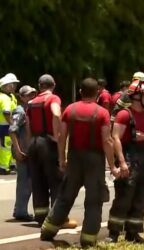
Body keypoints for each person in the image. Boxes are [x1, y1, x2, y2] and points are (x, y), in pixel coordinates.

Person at [40, 78, 115, 248]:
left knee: (65, 196)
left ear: (80, 91)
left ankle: (48, 231)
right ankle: (88, 240)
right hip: (95, 160)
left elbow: (61, 136)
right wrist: (112, 165)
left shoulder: (70, 109)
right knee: (94, 200)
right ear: (97, 93)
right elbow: (107, 141)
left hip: (74, 158)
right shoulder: (102, 113)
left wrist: (61, 158)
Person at [106, 80, 144, 244]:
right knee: (123, 198)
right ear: (136, 96)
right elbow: (115, 138)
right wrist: (121, 162)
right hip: (129, 157)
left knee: (141, 198)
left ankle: (133, 233)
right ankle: (113, 233)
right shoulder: (124, 114)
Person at [26, 74, 77, 228]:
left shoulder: (31, 102)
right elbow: (56, 113)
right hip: (47, 143)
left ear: (39, 86)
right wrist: (57, 136)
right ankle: (58, 218)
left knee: (38, 180)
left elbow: (28, 124)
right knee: (56, 181)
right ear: (53, 85)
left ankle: (41, 216)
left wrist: (30, 142)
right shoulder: (53, 99)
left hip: (34, 143)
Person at [10, 85, 37, 221]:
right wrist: (18, 150)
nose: (31, 97)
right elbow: (12, 130)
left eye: (33, 94)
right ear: (21, 97)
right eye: (28, 95)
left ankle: (20, 209)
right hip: (22, 152)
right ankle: (20, 211)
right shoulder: (19, 111)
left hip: (28, 151)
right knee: (24, 183)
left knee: (29, 182)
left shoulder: (30, 110)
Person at [0, 73, 18, 175]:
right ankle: (3, 167)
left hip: (6, 125)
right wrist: (13, 124)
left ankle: (11, 165)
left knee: (10, 145)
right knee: (6, 147)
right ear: (7, 85)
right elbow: (6, 113)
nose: (14, 86)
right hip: (5, 126)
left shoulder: (10, 96)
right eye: (13, 84)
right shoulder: (5, 98)